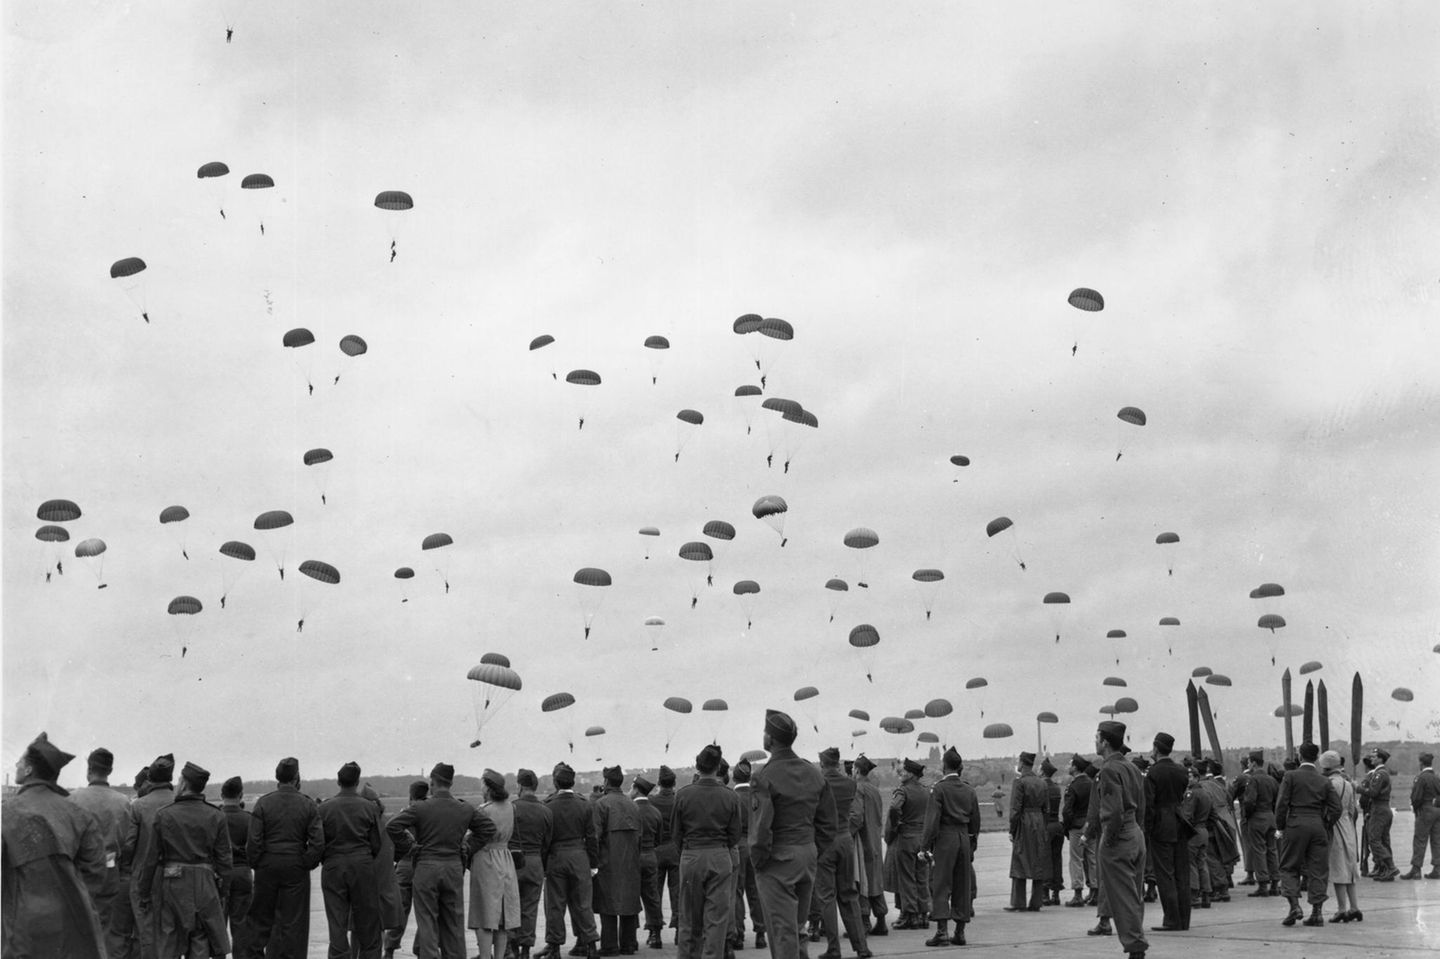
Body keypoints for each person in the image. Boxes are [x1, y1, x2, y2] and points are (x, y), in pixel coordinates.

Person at [2, 732, 108, 958]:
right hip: (68, 922)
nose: (17, 765)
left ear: (29, 770)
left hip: (19, 925)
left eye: (20, 761)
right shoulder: (80, 815)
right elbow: (96, 873)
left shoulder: (5, 813)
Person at [385, 761, 497, 959]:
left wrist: (410, 847)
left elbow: (393, 826)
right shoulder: (464, 808)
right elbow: (488, 828)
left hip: (426, 867)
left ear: (432, 783)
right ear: (451, 783)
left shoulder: (420, 808)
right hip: (453, 866)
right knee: (454, 922)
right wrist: (468, 847)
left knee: (427, 922)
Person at [748, 709, 837, 959]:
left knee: (782, 931)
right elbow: (829, 823)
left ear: (771, 739)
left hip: (777, 860)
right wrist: (811, 848)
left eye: (766, 732)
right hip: (807, 855)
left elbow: (760, 829)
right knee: (797, 928)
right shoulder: (814, 773)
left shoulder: (764, 777)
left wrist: (759, 862)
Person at [138, 761, 232, 958]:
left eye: (180, 779)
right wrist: (223, 891)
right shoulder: (216, 815)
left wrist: (144, 892)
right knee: (201, 938)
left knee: (169, 937)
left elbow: (151, 859)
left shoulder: (164, 814)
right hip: (205, 883)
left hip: (173, 882)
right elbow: (224, 860)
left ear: (185, 784)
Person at [246, 756, 325, 957]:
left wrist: (258, 863)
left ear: (277, 777)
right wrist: (305, 862)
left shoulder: (263, 803)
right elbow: (317, 842)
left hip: (267, 865)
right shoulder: (307, 804)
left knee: (260, 920)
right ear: (296, 778)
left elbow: (254, 841)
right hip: (295, 866)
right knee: (294, 924)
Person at [1085, 721, 1147, 959]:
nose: (1095, 741)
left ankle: (1136, 947)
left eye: (1097, 737)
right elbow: (1141, 805)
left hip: (1119, 837)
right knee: (1134, 895)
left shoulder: (1109, 770)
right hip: (1135, 834)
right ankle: (1136, 942)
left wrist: (1109, 840)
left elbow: (1113, 811)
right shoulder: (1131, 768)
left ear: (1105, 742)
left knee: (1122, 897)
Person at [674, 744, 743, 959]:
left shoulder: (684, 795)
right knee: (717, 919)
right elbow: (735, 834)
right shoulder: (731, 796)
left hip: (691, 854)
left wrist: (687, 852)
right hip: (720, 855)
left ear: (697, 765)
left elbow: (675, 833)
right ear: (718, 767)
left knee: (688, 917)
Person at [67, 746, 132, 956]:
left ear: (89, 769)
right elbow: (127, 842)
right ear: (110, 771)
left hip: (80, 874)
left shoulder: (73, 799)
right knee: (109, 932)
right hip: (110, 871)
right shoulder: (123, 802)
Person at [533, 762, 600, 959]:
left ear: (555, 782)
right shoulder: (585, 804)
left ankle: (554, 948)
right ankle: (591, 946)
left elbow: (544, 841)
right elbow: (592, 837)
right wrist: (593, 864)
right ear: (574, 781)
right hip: (580, 856)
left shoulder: (547, 805)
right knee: (583, 903)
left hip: (556, 856)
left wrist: (544, 864)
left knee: (555, 904)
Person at [318, 761, 383, 959]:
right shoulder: (369, 808)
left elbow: (319, 842)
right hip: (361, 864)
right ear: (357, 782)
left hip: (334, 866)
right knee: (368, 921)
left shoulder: (324, 808)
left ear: (338, 781)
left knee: (337, 921)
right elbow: (376, 844)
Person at [1275, 742, 1341, 927]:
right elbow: (1337, 808)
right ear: (1316, 757)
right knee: (1318, 869)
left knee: (1289, 866)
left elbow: (1281, 805)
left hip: (1295, 824)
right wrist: (1325, 822)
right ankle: (1317, 913)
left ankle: (1294, 906)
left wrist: (1281, 827)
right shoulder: (1324, 780)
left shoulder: (1290, 776)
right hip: (1318, 825)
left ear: (1299, 755)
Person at [812, 747, 869, 959]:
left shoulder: (817, 784)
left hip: (824, 843)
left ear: (822, 764)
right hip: (846, 840)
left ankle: (833, 948)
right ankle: (861, 947)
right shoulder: (850, 783)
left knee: (826, 896)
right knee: (849, 895)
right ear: (837, 763)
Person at [920, 746, 979, 947]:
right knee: (963, 884)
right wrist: (971, 844)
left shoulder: (939, 789)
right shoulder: (969, 790)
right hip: (963, 837)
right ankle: (960, 932)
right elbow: (975, 822)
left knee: (941, 884)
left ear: (944, 766)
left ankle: (942, 932)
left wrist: (924, 846)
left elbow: (932, 821)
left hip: (945, 838)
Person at [125, 752, 178, 959]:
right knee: (170, 932)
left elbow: (129, 845)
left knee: (145, 931)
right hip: (174, 876)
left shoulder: (138, 806)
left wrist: (126, 864)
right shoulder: (179, 803)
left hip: (141, 875)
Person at [469, 770, 521, 959]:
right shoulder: (510, 807)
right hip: (505, 859)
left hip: (486, 859)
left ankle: (485, 956)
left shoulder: (483, 810)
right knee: (503, 918)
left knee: (484, 915)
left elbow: (471, 837)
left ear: (488, 787)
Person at [1141, 732, 1190, 932]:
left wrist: (1147, 830)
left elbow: (1149, 806)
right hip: (1179, 822)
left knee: (1165, 874)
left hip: (1161, 825)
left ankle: (1171, 919)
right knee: (1181, 873)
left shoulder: (1153, 773)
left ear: (1155, 748)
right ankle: (1183, 920)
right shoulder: (1181, 771)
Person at [593, 766, 643, 955]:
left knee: (608, 903)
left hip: (608, 861)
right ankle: (629, 944)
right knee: (629, 901)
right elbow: (640, 836)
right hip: (631, 861)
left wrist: (594, 861)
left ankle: (609, 945)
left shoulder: (602, 804)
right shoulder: (633, 804)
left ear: (606, 782)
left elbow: (595, 836)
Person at [383, 780, 427, 959]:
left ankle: (390, 949)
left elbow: (392, 831)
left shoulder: (406, 813)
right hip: (424, 863)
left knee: (400, 909)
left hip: (405, 863)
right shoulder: (429, 812)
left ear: (410, 795)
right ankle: (420, 947)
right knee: (425, 911)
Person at [512, 770, 553, 959]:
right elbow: (548, 842)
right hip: (535, 861)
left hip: (513, 862)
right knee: (530, 908)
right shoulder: (546, 810)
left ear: (520, 786)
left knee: (512, 907)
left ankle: (512, 948)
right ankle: (526, 950)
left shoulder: (512, 807)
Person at [883, 758, 928, 927]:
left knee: (907, 879)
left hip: (906, 837)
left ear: (911, 774)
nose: (900, 774)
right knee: (921, 877)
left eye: (903, 771)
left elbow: (895, 808)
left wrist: (896, 824)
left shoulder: (902, 791)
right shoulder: (926, 791)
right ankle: (924, 914)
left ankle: (911, 916)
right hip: (922, 838)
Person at [359, 784, 403, 957]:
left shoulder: (363, 823)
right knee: (379, 924)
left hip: (369, 879)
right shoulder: (389, 822)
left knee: (361, 928)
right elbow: (405, 844)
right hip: (385, 879)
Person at [1318, 751, 1362, 921]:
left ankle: (1342, 909)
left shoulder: (1327, 783)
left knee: (1337, 868)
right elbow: (1352, 810)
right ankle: (1355, 907)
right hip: (1347, 825)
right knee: (1350, 868)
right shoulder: (1348, 784)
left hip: (1334, 826)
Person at [1005, 751, 1050, 912]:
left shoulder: (1019, 782)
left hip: (1024, 822)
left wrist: (1012, 829)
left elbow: (1015, 809)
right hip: (1038, 822)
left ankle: (1018, 902)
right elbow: (1047, 809)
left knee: (1019, 860)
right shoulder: (1042, 783)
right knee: (1037, 860)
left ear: (1022, 763)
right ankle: (1036, 902)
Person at [219, 776, 254, 959]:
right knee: (241, 925)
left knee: (218, 925)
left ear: (221, 795)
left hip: (220, 873)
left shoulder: (215, 816)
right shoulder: (248, 818)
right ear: (241, 795)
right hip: (242, 871)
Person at [850, 756, 886, 937]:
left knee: (861, 881)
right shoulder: (874, 789)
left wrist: (846, 833)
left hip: (862, 842)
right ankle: (881, 920)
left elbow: (856, 817)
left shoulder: (858, 789)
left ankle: (864, 922)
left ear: (856, 770)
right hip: (875, 841)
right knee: (875, 882)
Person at [629, 776, 664, 950]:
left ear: (636, 789)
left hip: (633, 858)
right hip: (650, 856)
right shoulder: (655, 812)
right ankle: (656, 934)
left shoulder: (630, 809)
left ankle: (631, 938)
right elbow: (659, 839)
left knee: (632, 897)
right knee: (652, 897)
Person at [1240, 751, 1280, 898]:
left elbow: (1249, 801)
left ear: (1254, 763)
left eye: (1249, 762)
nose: (1248, 765)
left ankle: (1263, 884)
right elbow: (1277, 800)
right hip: (1271, 816)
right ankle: (1275, 883)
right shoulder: (1272, 780)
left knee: (1259, 851)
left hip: (1257, 817)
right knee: (1272, 850)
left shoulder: (1253, 780)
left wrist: (1248, 815)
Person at [1357, 748, 1397, 881]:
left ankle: (1390, 867)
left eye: (1374, 757)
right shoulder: (1381, 773)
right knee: (1383, 840)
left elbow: (1373, 792)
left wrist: (1357, 788)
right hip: (1382, 809)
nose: (1371, 759)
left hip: (1379, 809)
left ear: (1380, 759)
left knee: (1374, 840)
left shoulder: (1380, 774)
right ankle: (1385, 869)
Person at [1061, 755, 1096, 908]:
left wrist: (1067, 827)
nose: (1069, 766)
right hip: (1090, 825)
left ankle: (1078, 893)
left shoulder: (1073, 786)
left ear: (1075, 768)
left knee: (1076, 859)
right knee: (1092, 859)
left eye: (1070, 764)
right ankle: (1095, 891)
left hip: (1076, 826)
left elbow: (1067, 810)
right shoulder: (1091, 783)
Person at [651, 766, 681, 938]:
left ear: (659, 783)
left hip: (657, 849)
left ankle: (655, 933)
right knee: (677, 892)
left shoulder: (652, 801)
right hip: (676, 849)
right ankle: (679, 930)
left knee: (655, 893)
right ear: (674, 783)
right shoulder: (678, 800)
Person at [1181, 762, 1214, 912]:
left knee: (1191, 864)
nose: (1187, 779)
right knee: (1202, 863)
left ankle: (1194, 895)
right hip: (1204, 831)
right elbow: (1213, 815)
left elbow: (1187, 815)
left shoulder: (1191, 794)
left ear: (1196, 777)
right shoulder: (1206, 793)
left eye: (1189, 776)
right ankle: (1206, 894)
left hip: (1193, 832)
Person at [1404, 751, 1440, 880]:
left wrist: (1416, 808)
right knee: (1436, 840)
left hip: (1424, 810)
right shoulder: (1436, 777)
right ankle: (1437, 868)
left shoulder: (1421, 777)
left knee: (1420, 840)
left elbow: (1416, 797)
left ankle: (1416, 869)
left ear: (1421, 763)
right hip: (1437, 810)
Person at [1040, 758, 1065, 905]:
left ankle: (1045, 893)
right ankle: (1056, 893)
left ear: (1043, 771)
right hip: (1057, 825)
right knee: (1057, 859)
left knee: (1046, 860)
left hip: (1047, 825)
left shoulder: (1042, 787)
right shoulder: (1056, 787)